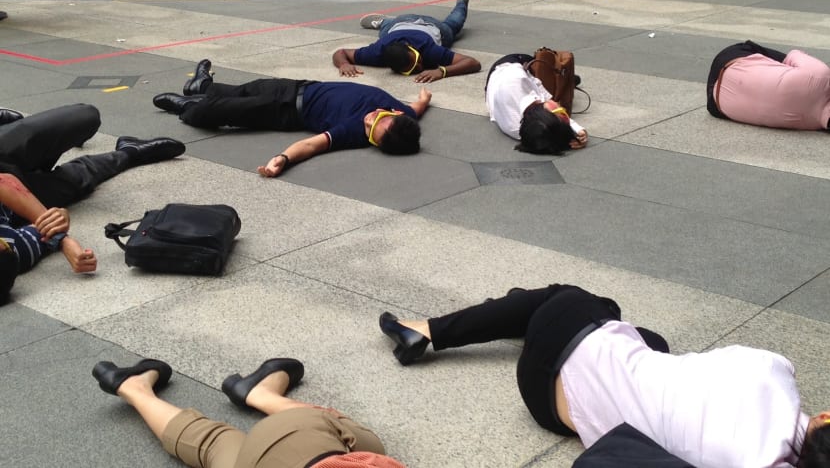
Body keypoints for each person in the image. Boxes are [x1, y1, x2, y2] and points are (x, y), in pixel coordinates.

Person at [377, 284, 830, 468]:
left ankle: (427, 331)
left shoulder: (770, 369)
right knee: (655, 343)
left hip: (568, 336)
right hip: (548, 408)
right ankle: (522, 321)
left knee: (574, 298)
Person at [92, 356, 406, 467]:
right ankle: (133, 389)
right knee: (212, 446)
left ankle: (262, 395)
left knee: (363, 441)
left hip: (299, 445)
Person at [152, 60, 431, 177]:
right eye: (378, 117)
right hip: (297, 86)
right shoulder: (404, 115)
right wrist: (424, 99)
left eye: (372, 133)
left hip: (282, 112)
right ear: (394, 112)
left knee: (216, 112)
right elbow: (416, 109)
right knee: (237, 91)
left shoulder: (352, 132)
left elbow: (312, 145)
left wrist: (282, 159)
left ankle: (185, 108)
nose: (369, 121)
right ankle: (200, 87)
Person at [0, 104, 185, 218]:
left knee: (85, 116)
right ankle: (130, 152)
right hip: (9, 207)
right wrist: (58, 238)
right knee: (77, 180)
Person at [334, 0, 482, 82]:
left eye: (417, 60)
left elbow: (473, 63)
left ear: (413, 50)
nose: (420, 66)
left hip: (432, 26)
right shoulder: (376, 53)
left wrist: (442, 71)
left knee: (453, 24)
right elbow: (340, 53)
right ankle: (384, 22)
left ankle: (462, 2)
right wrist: (343, 64)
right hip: (400, 23)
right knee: (387, 31)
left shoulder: (428, 50)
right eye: (411, 69)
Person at [0, 172, 97, 304]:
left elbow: (3, 180)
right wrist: (58, 227)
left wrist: (63, 239)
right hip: (19, 188)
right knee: (71, 182)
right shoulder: (18, 250)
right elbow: (45, 228)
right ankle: (129, 153)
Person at [707, 40, 830, 131]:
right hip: (716, 106)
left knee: (788, 60)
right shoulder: (814, 124)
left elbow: (795, 54)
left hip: (728, 60)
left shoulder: (820, 74)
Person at [485, 54, 587, 153]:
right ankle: (569, 80)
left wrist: (547, 95)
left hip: (506, 66)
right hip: (499, 89)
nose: (560, 106)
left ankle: (569, 80)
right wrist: (578, 133)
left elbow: (536, 82)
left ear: (543, 113)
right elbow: (552, 131)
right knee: (557, 80)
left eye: (559, 110)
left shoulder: (517, 78)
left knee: (544, 61)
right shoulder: (530, 130)